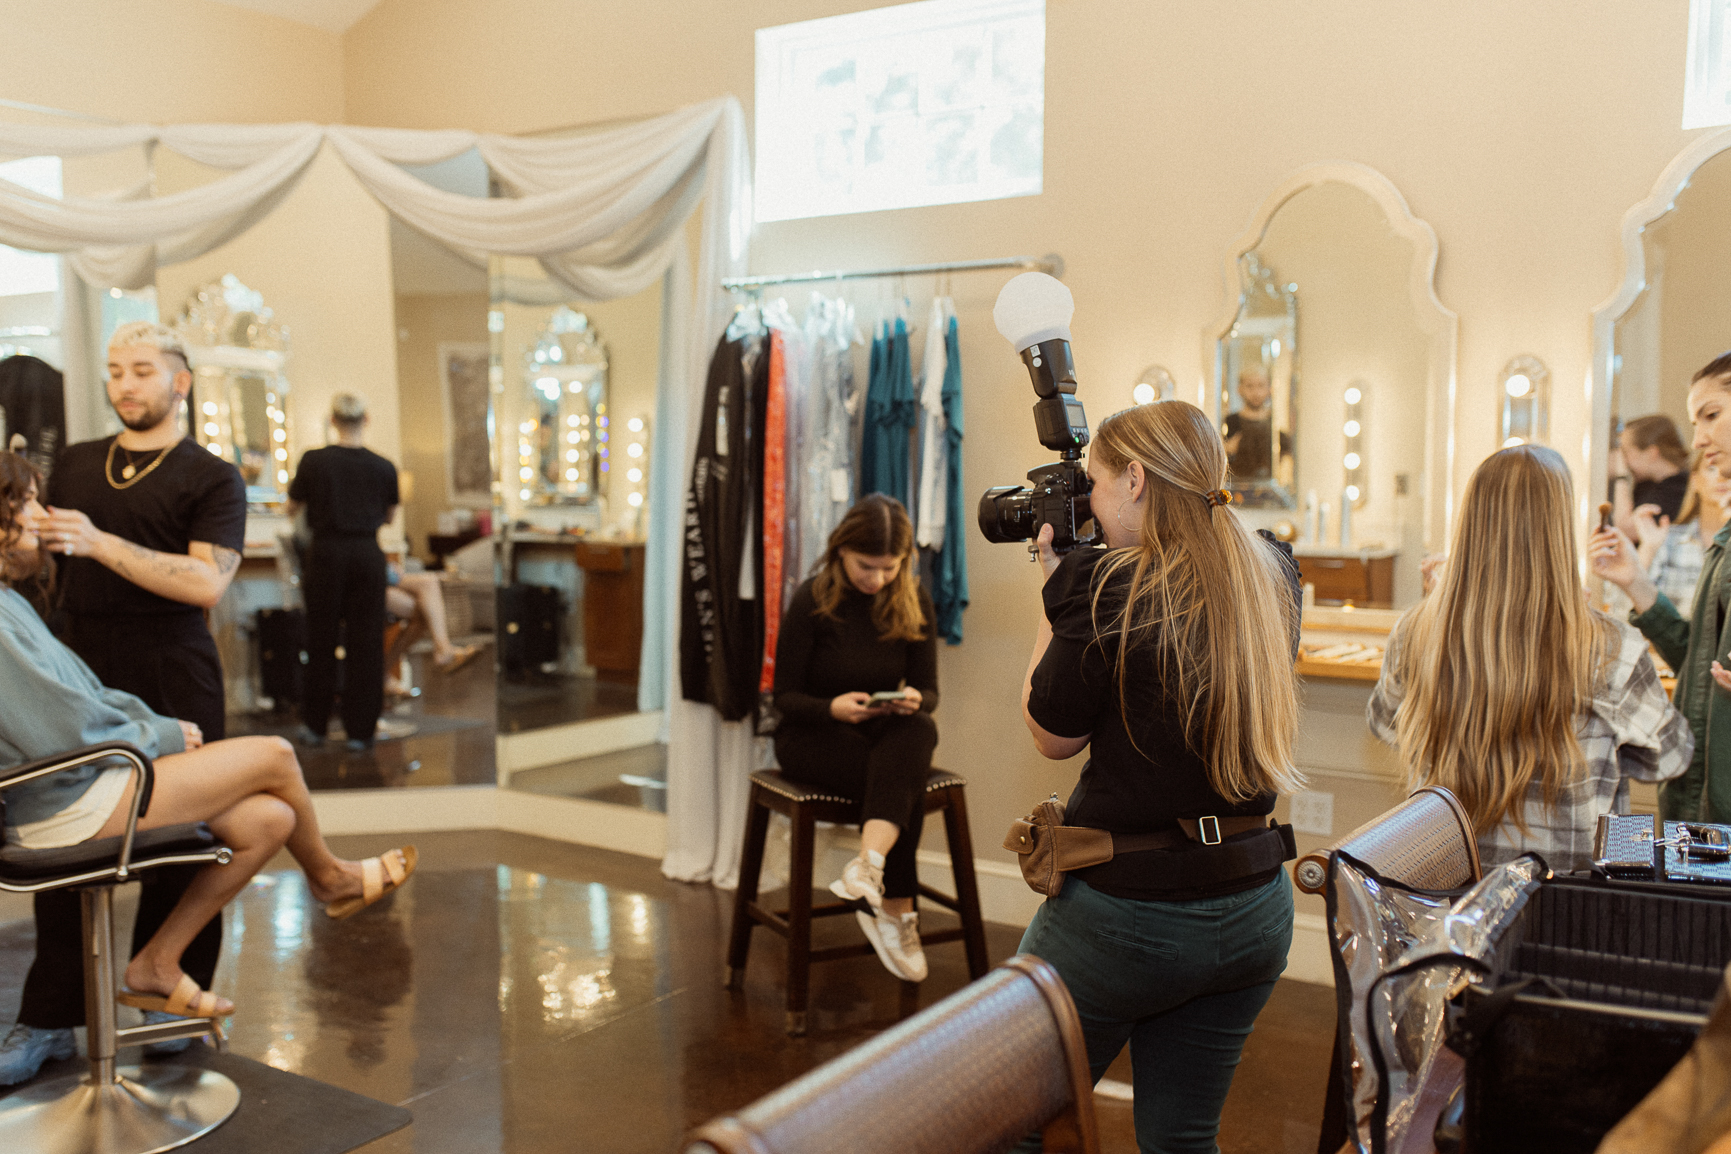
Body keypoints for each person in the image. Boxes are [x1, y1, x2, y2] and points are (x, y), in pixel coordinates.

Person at [0, 452, 415, 1058]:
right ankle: (329, 877)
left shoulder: (11, 601)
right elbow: (63, 729)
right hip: (63, 802)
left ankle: (157, 963)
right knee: (275, 755)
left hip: (89, 781)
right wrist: (160, 737)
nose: (42, 517)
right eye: (27, 503)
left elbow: (85, 694)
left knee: (270, 820)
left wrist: (153, 725)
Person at [1018, 400, 1303, 1153]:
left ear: (1135, 479)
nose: (1094, 506)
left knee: (1005, 1121)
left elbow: (1051, 735)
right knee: (1181, 1136)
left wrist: (1054, 595)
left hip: (1128, 918)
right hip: (1252, 904)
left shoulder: (1106, 587)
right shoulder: (1272, 569)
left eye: (1098, 485)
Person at [1, 322, 248, 1085]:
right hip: (78, 658)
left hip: (173, 666)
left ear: (181, 380)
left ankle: (165, 998)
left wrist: (100, 542)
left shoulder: (212, 477)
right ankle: (49, 1016)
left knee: (186, 833)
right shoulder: (74, 462)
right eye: (114, 371)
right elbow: (34, 559)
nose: (125, 385)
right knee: (64, 843)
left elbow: (207, 584)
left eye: (143, 370)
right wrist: (31, 535)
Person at [1370, 445, 1691, 872]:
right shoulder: (1611, 646)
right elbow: (1672, 756)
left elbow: (1385, 724)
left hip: (1453, 895)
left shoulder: (1416, 631)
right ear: (1559, 529)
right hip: (1567, 903)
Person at [772, 494, 939, 982]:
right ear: (841, 550)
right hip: (812, 737)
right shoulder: (812, 600)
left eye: (891, 568)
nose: (879, 579)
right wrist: (831, 707)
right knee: (898, 780)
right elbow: (783, 697)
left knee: (919, 728)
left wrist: (913, 699)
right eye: (867, 566)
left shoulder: (913, 598)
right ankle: (895, 909)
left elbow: (929, 692)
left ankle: (868, 867)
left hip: (882, 736)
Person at [1593, 352, 1731, 822]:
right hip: (1703, 801)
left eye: (1711, 415)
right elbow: (1700, 657)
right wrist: (1636, 582)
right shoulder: (1725, 544)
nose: (1698, 439)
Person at [288, 394, 399, 751]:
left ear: (332, 420)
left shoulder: (314, 461)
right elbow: (389, 516)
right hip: (367, 554)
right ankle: (361, 731)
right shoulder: (384, 466)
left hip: (326, 554)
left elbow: (292, 508)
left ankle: (315, 726)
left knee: (320, 640)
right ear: (366, 419)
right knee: (366, 643)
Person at [1628, 453, 1730, 617]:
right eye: (1711, 468)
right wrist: (1648, 548)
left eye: (1728, 470)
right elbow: (1628, 608)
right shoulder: (1666, 541)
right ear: (1695, 480)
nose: (1721, 476)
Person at [382, 564, 481, 697]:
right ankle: (382, 676)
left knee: (430, 582)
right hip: (362, 582)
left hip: (379, 577)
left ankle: (443, 649)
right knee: (425, 611)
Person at [1610, 413, 1690, 536]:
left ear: (1651, 453)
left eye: (1626, 452)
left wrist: (1621, 474)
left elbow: (1625, 529)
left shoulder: (1679, 488)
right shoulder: (1647, 484)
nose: (1623, 460)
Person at [1221, 366, 1291, 485]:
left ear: (1269, 389)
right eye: (1250, 386)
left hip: (1270, 490)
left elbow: (1286, 460)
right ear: (1240, 389)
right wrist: (1227, 449)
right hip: (1236, 489)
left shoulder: (1276, 423)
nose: (1256, 393)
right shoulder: (1230, 422)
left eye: (1261, 385)